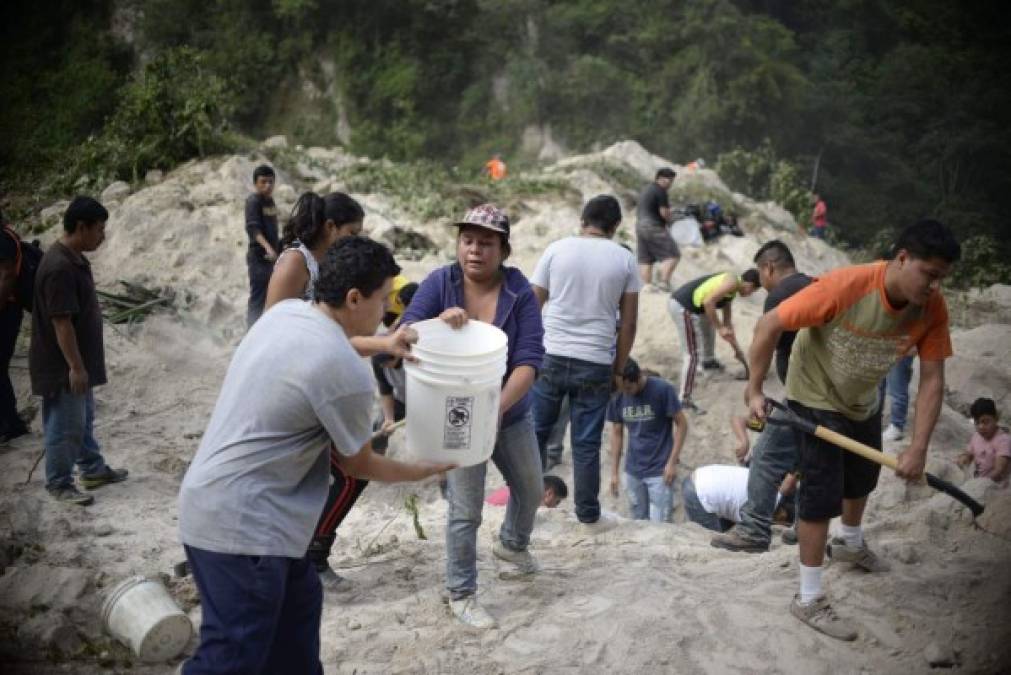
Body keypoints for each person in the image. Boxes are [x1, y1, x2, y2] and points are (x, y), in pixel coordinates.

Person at [177, 237, 452, 673]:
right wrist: (424, 468)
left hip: (217, 506)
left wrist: (383, 344)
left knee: (296, 635)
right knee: (232, 658)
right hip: (246, 530)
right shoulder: (345, 374)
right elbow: (358, 464)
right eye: (382, 300)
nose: (385, 314)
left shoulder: (285, 313)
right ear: (354, 297)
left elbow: (325, 349)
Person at [745, 219, 960, 641]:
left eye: (941, 278)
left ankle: (849, 543)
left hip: (861, 397)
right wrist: (753, 390)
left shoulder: (932, 308)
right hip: (814, 393)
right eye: (929, 274)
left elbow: (933, 379)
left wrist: (918, 447)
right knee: (822, 494)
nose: (934, 286)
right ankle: (808, 598)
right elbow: (770, 324)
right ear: (902, 259)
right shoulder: (848, 286)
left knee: (862, 478)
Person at [402, 203, 545, 629]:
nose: (475, 250)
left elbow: (529, 360)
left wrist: (496, 407)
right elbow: (405, 332)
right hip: (456, 414)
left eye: (486, 243)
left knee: (532, 488)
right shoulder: (440, 283)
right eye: (467, 240)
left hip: (509, 411)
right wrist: (436, 323)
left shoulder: (520, 293)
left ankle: (512, 546)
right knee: (466, 510)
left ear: (503, 249)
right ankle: (461, 593)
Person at [531, 195, 640, 526]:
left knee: (535, 432)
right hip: (595, 361)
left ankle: (523, 504)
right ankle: (588, 514)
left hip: (551, 354)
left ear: (583, 220)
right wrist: (619, 369)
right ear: (616, 225)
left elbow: (532, 304)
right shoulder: (625, 260)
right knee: (586, 443)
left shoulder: (556, 248)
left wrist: (530, 352)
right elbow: (630, 322)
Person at [711, 241, 812, 552]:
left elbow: (764, 338)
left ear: (768, 268)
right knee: (811, 461)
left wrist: (754, 389)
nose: (763, 284)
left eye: (762, 275)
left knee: (766, 459)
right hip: (821, 395)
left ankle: (754, 529)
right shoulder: (812, 285)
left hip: (806, 397)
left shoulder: (781, 293)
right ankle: (804, 525)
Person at [30, 197, 128, 506]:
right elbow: (62, 324)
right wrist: (75, 366)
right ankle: (59, 483)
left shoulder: (72, 258)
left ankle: (93, 470)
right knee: (65, 424)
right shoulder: (59, 267)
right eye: (99, 230)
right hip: (63, 365)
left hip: (76, 361)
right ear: (81, 227)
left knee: (82, 419)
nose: (103, 236)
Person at [668, 269, 761, 414]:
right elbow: (708, 302)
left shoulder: (731, 292)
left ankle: (709, 362)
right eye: (752, 291)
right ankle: (684, 399)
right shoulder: (731, 282)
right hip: (683, 306)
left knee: (709, 325)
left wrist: (735, 346)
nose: (750, 294)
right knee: (692, 355)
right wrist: (720, 328)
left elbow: (727, 323)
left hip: (695, 308)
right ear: (749, 284)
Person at [607, 358, 688, 522]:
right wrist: (614, 472)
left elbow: (682, 424)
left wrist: (672, 462)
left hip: (660, 470)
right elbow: (617, 432)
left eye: (628, 387)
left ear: (637, 378)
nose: (626, 392)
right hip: (633, 470)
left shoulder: (662, 389)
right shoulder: (617, 395)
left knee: (661, 525)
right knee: (638, 522)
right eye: (622, 388)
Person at [264, 191, 364, 309]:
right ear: (330, 226)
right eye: (352, 233)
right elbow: (273, 317)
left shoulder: (329, 261)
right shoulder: (295, 261)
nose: (355, 241)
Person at [683, 464, 796, 532]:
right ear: (783, 515)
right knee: (710, 542)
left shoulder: (770, 489)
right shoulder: (761, 507)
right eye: (783, 525)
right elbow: (747, 530)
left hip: (702, 478)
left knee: (723, 531)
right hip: (700, 492)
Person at [0, 211, 32, 443]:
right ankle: (10, 422)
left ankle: (11, 423)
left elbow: (8, 275)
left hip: (7, 311)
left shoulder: (3, 239)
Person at [245, 164, 281, 327]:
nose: (268, 186)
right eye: (263, 182)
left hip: (272, 256)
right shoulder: (253, 201)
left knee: (271, 296)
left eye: (271, 182)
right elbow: (253, 228)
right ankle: (250, 331)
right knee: (258, 297)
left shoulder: (270, 201)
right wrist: (267, 247)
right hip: (259, 257)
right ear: (255, 183)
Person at [635, 168, 679, 292]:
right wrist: (671, 219)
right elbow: (664, 212)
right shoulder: (660, 191)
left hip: (640, 226)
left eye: (672, 180)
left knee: (646, 258)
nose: (670, 183)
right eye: (669, 180)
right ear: (660, 178)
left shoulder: (647, 190)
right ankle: (664, 283)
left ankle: (647, 286)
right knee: (673, 254)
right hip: (653, 226)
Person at [956, 397, 1010, 486]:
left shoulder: (1003, 440)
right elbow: (970, 453)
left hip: (997, 487)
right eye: (977, 423)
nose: (981, 427)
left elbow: (999, 470)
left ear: (996, 418)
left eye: (985, 422)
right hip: (979, 481)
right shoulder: (976, 436)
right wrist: (965, 458)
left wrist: (981, 483)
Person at [881, 355, 915, 441]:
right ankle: (875, 420)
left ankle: (896, 426)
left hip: (901, 348)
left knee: (897, 386)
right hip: (883, 346)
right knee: (878, 385)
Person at [485, 475, 568, 508]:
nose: (555, 507)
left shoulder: (523, 488)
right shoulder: (529, 500)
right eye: (557, 502)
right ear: (549, 494)